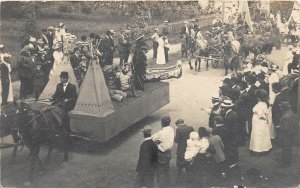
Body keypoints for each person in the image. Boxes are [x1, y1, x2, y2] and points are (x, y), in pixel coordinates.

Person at [151, 116, 174, 188]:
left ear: (162, 123)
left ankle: (162, 186)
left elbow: (152, 138)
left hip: (161, 153)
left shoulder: (161, 132)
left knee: (161, 172)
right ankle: (167, 185)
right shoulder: (171, 130)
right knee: (167, 169)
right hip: (169, 153)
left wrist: (158, 142)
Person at [276, 101, 299, 167]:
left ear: (283, 108)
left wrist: (279, 127)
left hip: (286, 136)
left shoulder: (285, 117)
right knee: (289, 149)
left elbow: (285, 128)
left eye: (281, 107)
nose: (280, 109)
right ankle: (288, 161)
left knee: (285, 149)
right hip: (291, 135)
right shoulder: (292, 113)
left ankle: (284, 163)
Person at [249, 89, 272, 154]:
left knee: (258, 135)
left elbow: (261, 115)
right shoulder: (264, 103)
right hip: (259, 122)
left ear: (259, 97)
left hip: (258, 122)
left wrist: (263, 117)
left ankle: (258, 149)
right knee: (262, 135)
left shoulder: (260, 105)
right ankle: (263, 148)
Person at [220, 100, 239, 164]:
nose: (222, 108)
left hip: (230, 135)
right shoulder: (233, 113)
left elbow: (227, 128)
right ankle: (234, 160)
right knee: (234, 148)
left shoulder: (228, 116)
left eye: (223, 107)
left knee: (230, 148)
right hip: (234, 134)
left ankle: (232, 161)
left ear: (226, 108)